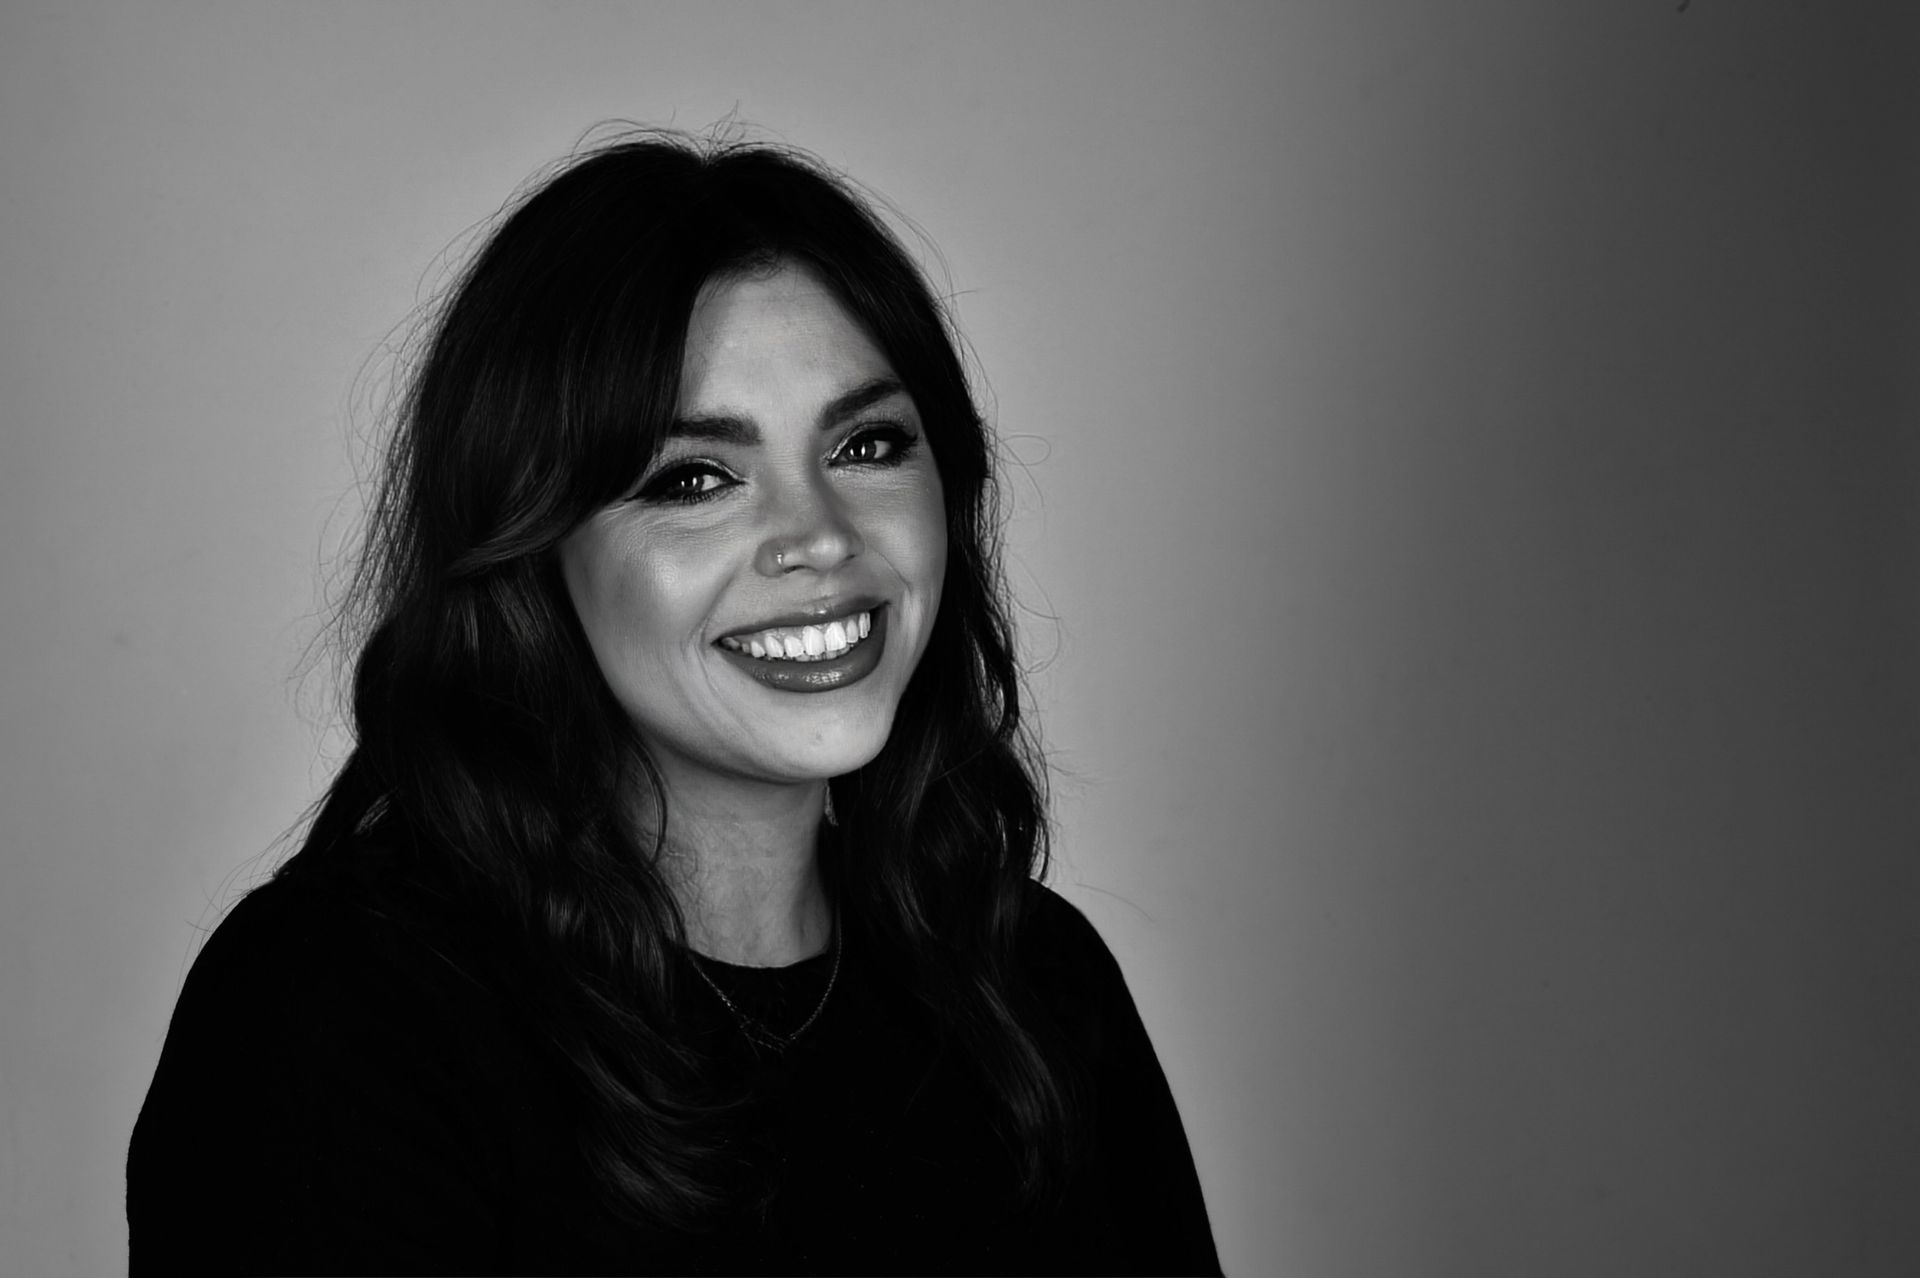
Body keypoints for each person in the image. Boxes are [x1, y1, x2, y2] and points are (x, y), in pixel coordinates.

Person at [127, 131, 1219, 1276]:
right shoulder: (334, 1015)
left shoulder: (1030, 982)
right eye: (695, 478)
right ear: (536, 548)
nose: (822, 539)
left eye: (868, 444)